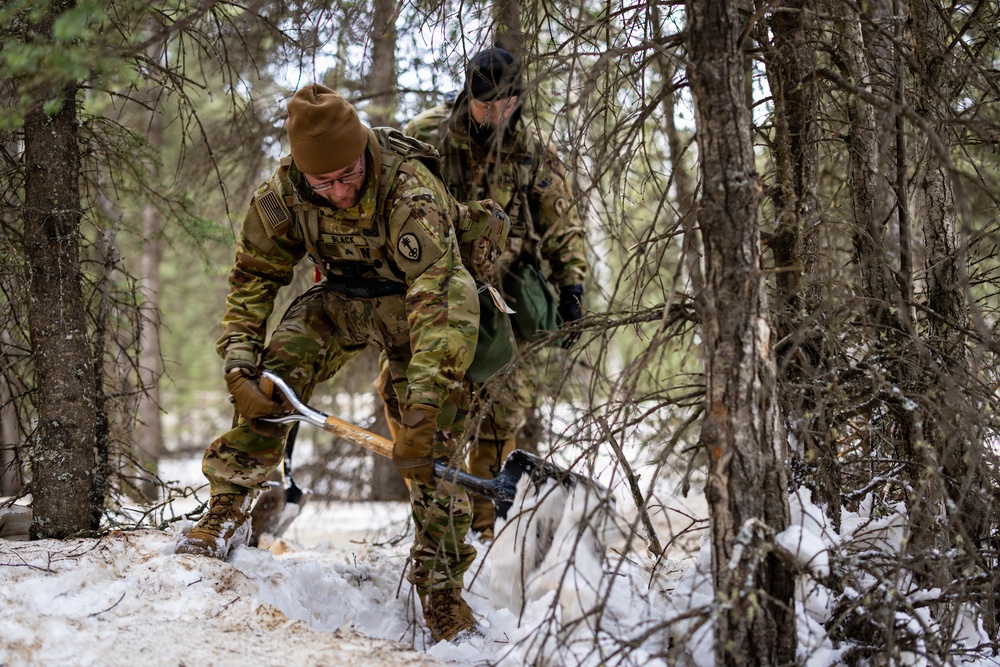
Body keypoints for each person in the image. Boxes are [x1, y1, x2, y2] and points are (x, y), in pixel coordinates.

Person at [174, 84, 481, 642]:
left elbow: (441, 299)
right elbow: (253, 277)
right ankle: (226, 510)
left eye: (349, 176)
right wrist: (239, 364)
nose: (339, 192)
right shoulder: (284, 192)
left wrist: (425, 406)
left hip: (417, 309)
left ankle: (442, 591)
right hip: (339, 300)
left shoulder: (410, 188)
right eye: (324, 183)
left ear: (362, 151)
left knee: (431, 441)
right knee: (273, 378)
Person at [376, 47, 589, 541]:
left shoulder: (533, 151)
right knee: (405, 391)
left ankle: (486, 525)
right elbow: (386, 204)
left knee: (502, 407)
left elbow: (563, 225)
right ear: (468, 96)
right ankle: (436, 508)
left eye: (506, 104)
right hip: (434, 287)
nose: (495, 114)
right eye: (485, 104)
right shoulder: (426, 136)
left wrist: (572, 287)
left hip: (503, 293)